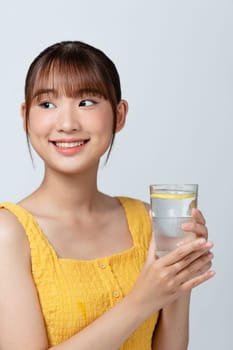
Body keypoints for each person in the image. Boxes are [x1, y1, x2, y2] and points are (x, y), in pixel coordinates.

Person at [0, 41, 214, 350]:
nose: (68, 123)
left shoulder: (147, 220)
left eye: (86, 102)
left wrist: (180, 275)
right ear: (25, 117)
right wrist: (144, 298)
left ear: (119, 114)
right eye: (47, 104)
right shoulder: (9, 233)